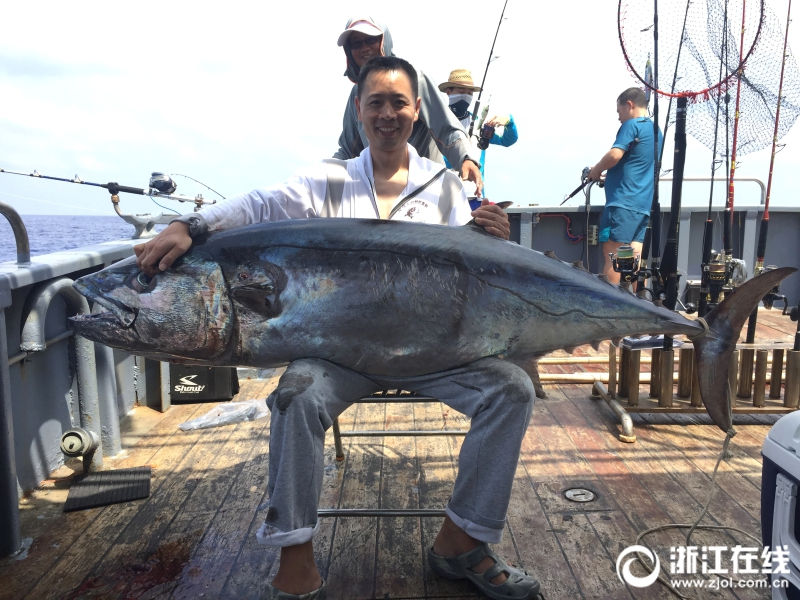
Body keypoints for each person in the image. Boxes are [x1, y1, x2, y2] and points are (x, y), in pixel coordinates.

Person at [135, 56, 541, 600]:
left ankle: (461, 542)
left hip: (433, 354)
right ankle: (295, 558)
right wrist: (192, 224)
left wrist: (493, 235)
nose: (388, 113)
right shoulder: (329, 180)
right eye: (376, 102)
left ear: (417, 111)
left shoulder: (445, 187)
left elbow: (477, 275)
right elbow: (262, 204)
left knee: (512, 391)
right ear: (359, 111)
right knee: (295, 396)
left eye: (399, 102)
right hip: (340, 356)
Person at [334, 16, 485, 197]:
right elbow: (347, 149)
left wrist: (465, 158)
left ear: (384, 41)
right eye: (356, 44)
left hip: (427, 191)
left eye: (370, 40)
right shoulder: (356, 94)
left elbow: (446, 127)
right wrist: (325, 174)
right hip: (379, 193)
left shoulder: (413, 79)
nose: (364, 48)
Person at [587, 87, 662, 285]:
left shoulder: (632, 125)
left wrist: (596, 170)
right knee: (634, 259)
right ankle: (639, 307)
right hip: (642, 207)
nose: (619, 118)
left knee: (613, 256)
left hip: (622, 204)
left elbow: (615, 155)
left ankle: (609, 309)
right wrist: (609, 178)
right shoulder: (656, 131)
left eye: (619, 112)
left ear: (629, 105)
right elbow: (637, 164)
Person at [439, 68, 519, 181]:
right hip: (440, 188)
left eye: (469, 93)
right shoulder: (435, 121)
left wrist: (509, 122)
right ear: (448, 92)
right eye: (461, 91)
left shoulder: (478, 124)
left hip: (473, 192)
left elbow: (507, 140)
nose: (466, 96)